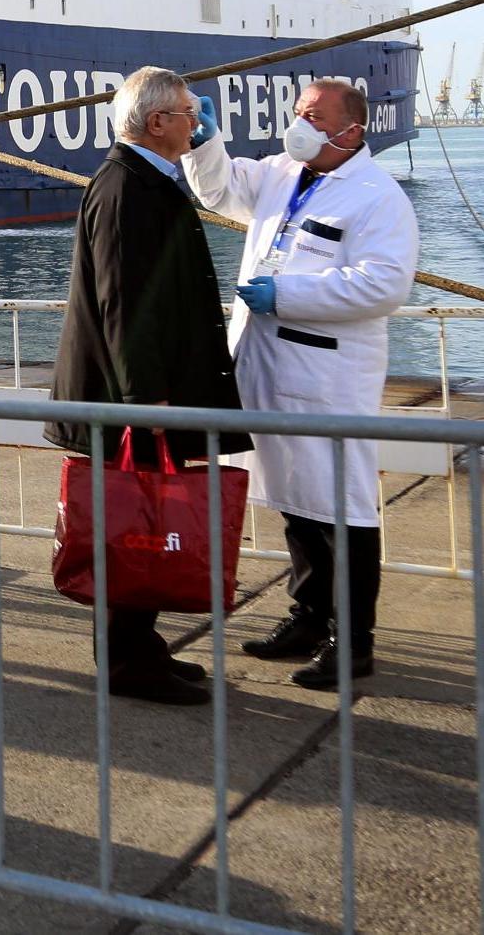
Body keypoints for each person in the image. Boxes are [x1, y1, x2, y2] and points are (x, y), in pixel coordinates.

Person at [186, 79, 420, 689]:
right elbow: (219, 190)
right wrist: (205, 145)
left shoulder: (376, 197)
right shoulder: (283, 173)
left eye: (314, 116)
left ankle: (353, 642)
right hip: (269, 363)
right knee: (296, 501)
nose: (301, 124)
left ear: (352, 130)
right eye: (298, 113)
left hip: (325, 372)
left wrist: (286, 295)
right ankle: (309, 616)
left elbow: (384, 285)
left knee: (340, 506)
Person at [50, 66, 249, 707]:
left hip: (137, 392)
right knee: (133, 526)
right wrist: (145, 399)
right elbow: (124, 302)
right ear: (158, 122)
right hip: (127, 398)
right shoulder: (126, 188)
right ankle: (128, 663)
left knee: (143, 519)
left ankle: (142, 649)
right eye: (190, 115)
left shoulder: (142, 180)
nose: (198, 123)